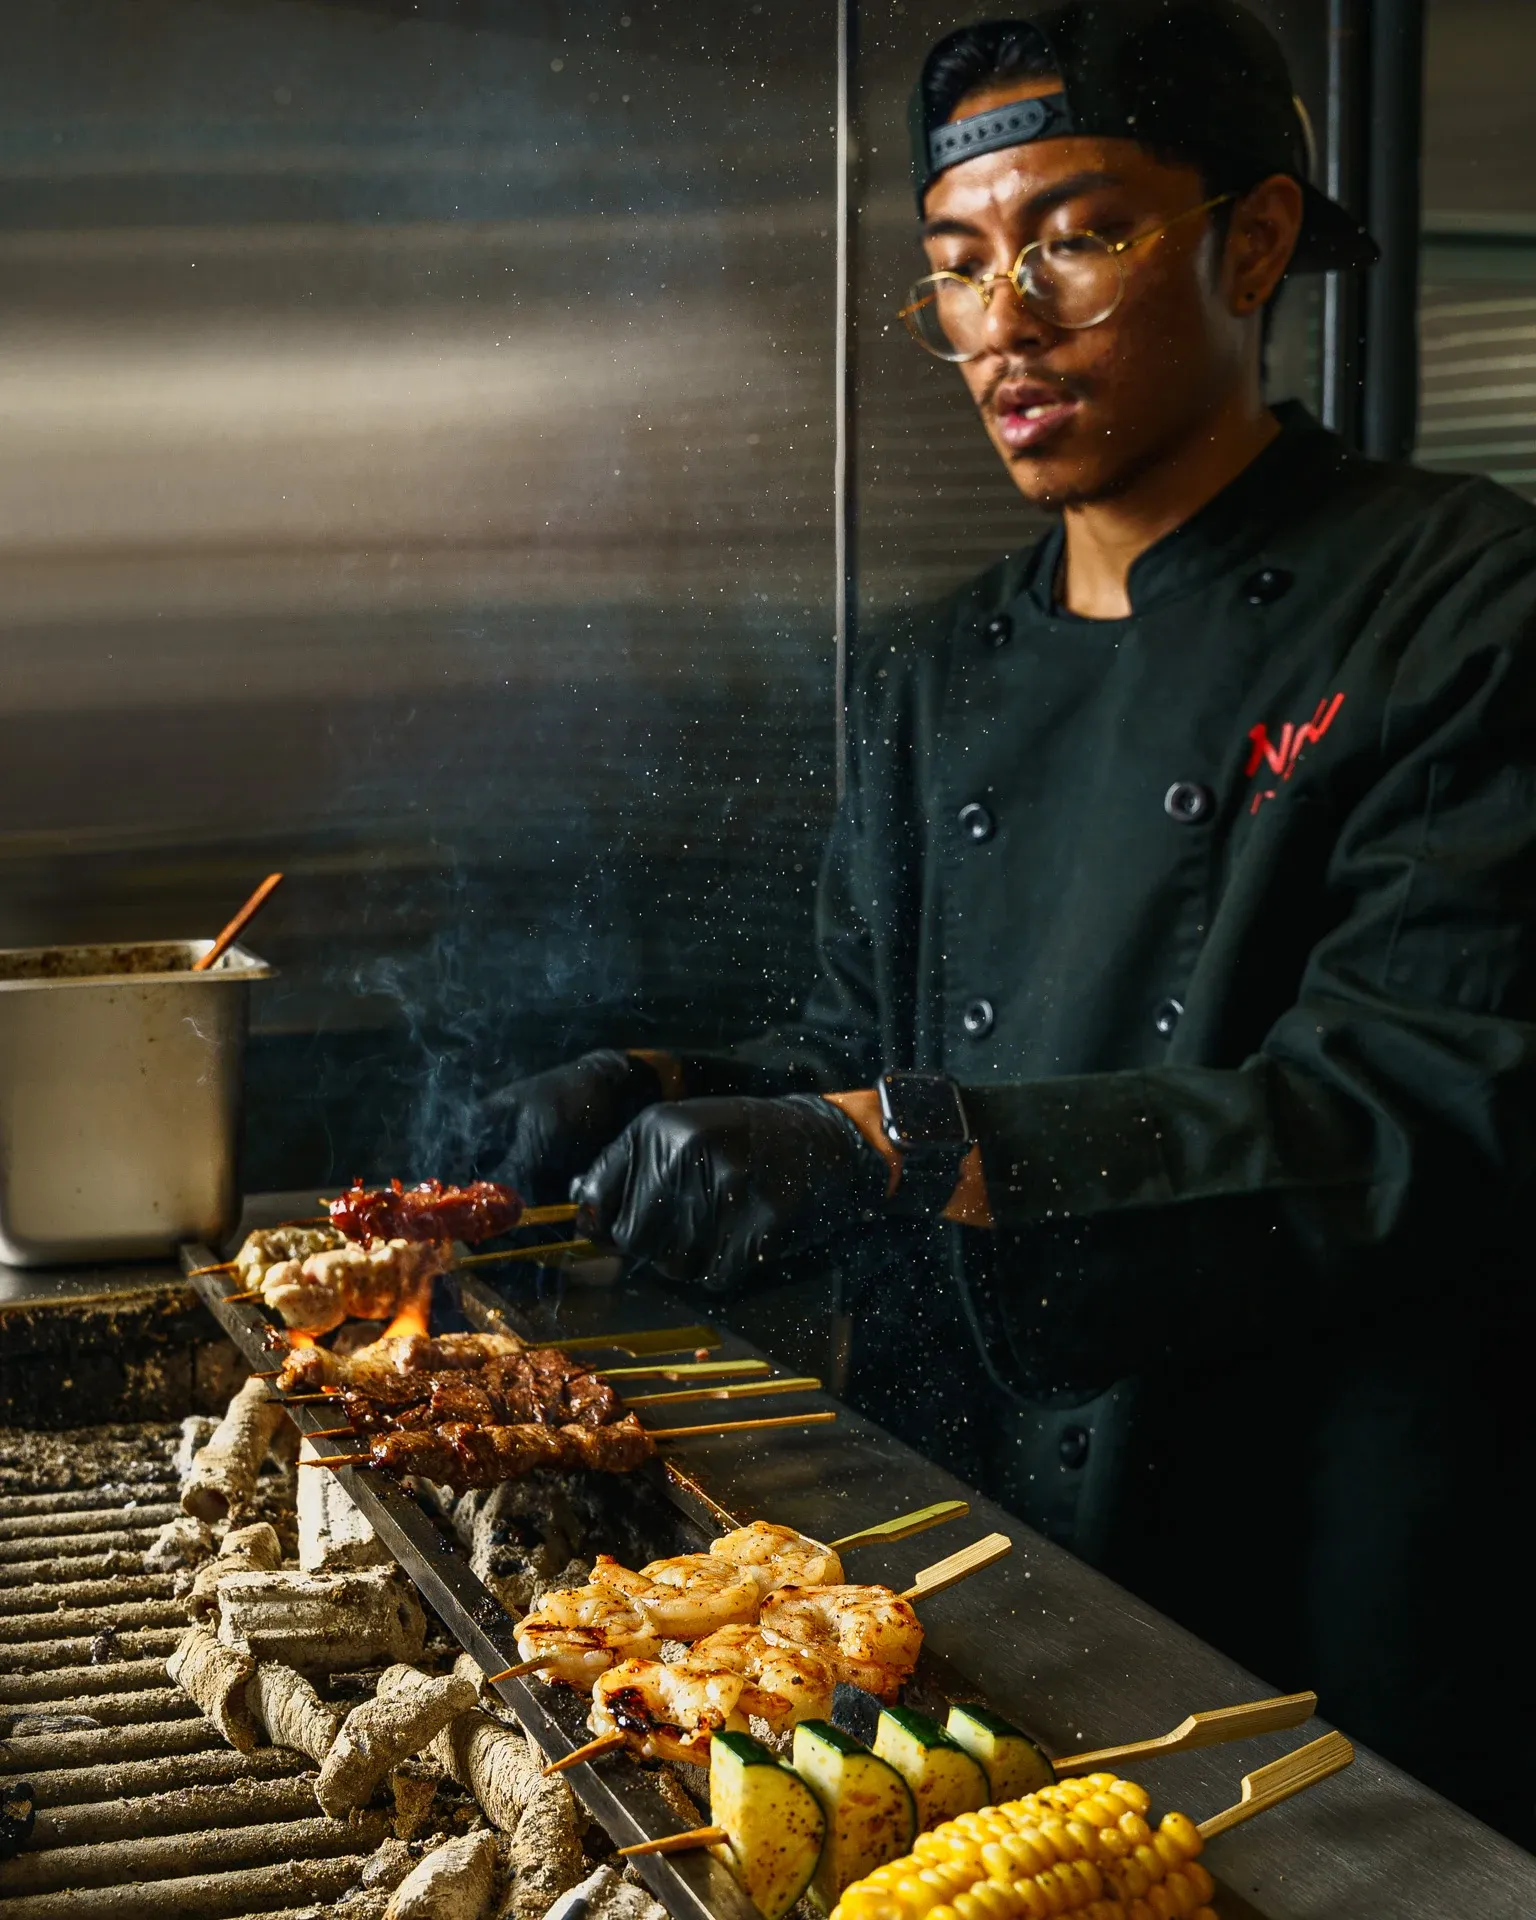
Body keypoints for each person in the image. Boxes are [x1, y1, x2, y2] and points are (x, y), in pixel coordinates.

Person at [479, 1, 1536, 1841]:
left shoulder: (1457, 608)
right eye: (959, 267)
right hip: (970, 1544)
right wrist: (666, 1089)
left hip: (1327, 1559)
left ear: (1255, 239)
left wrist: (906, 1144)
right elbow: (865, 1064)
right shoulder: (930, 674)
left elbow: (1415, 1109)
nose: (1005, 324)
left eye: (1078, 235)